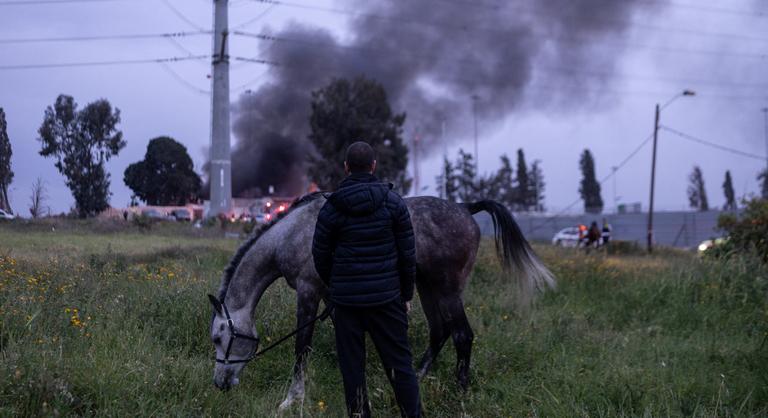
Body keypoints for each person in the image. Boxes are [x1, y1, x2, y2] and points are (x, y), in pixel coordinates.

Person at [312, 141, 421, 418]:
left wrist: (337, 286)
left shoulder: (331, 208)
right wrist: (406, 294)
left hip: (347, 304)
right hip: (388, 300)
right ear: (373, 166)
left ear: (346, 167)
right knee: (400, 367)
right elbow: (408, 255)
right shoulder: (394, 203)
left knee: (353, 372)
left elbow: (320, 255)